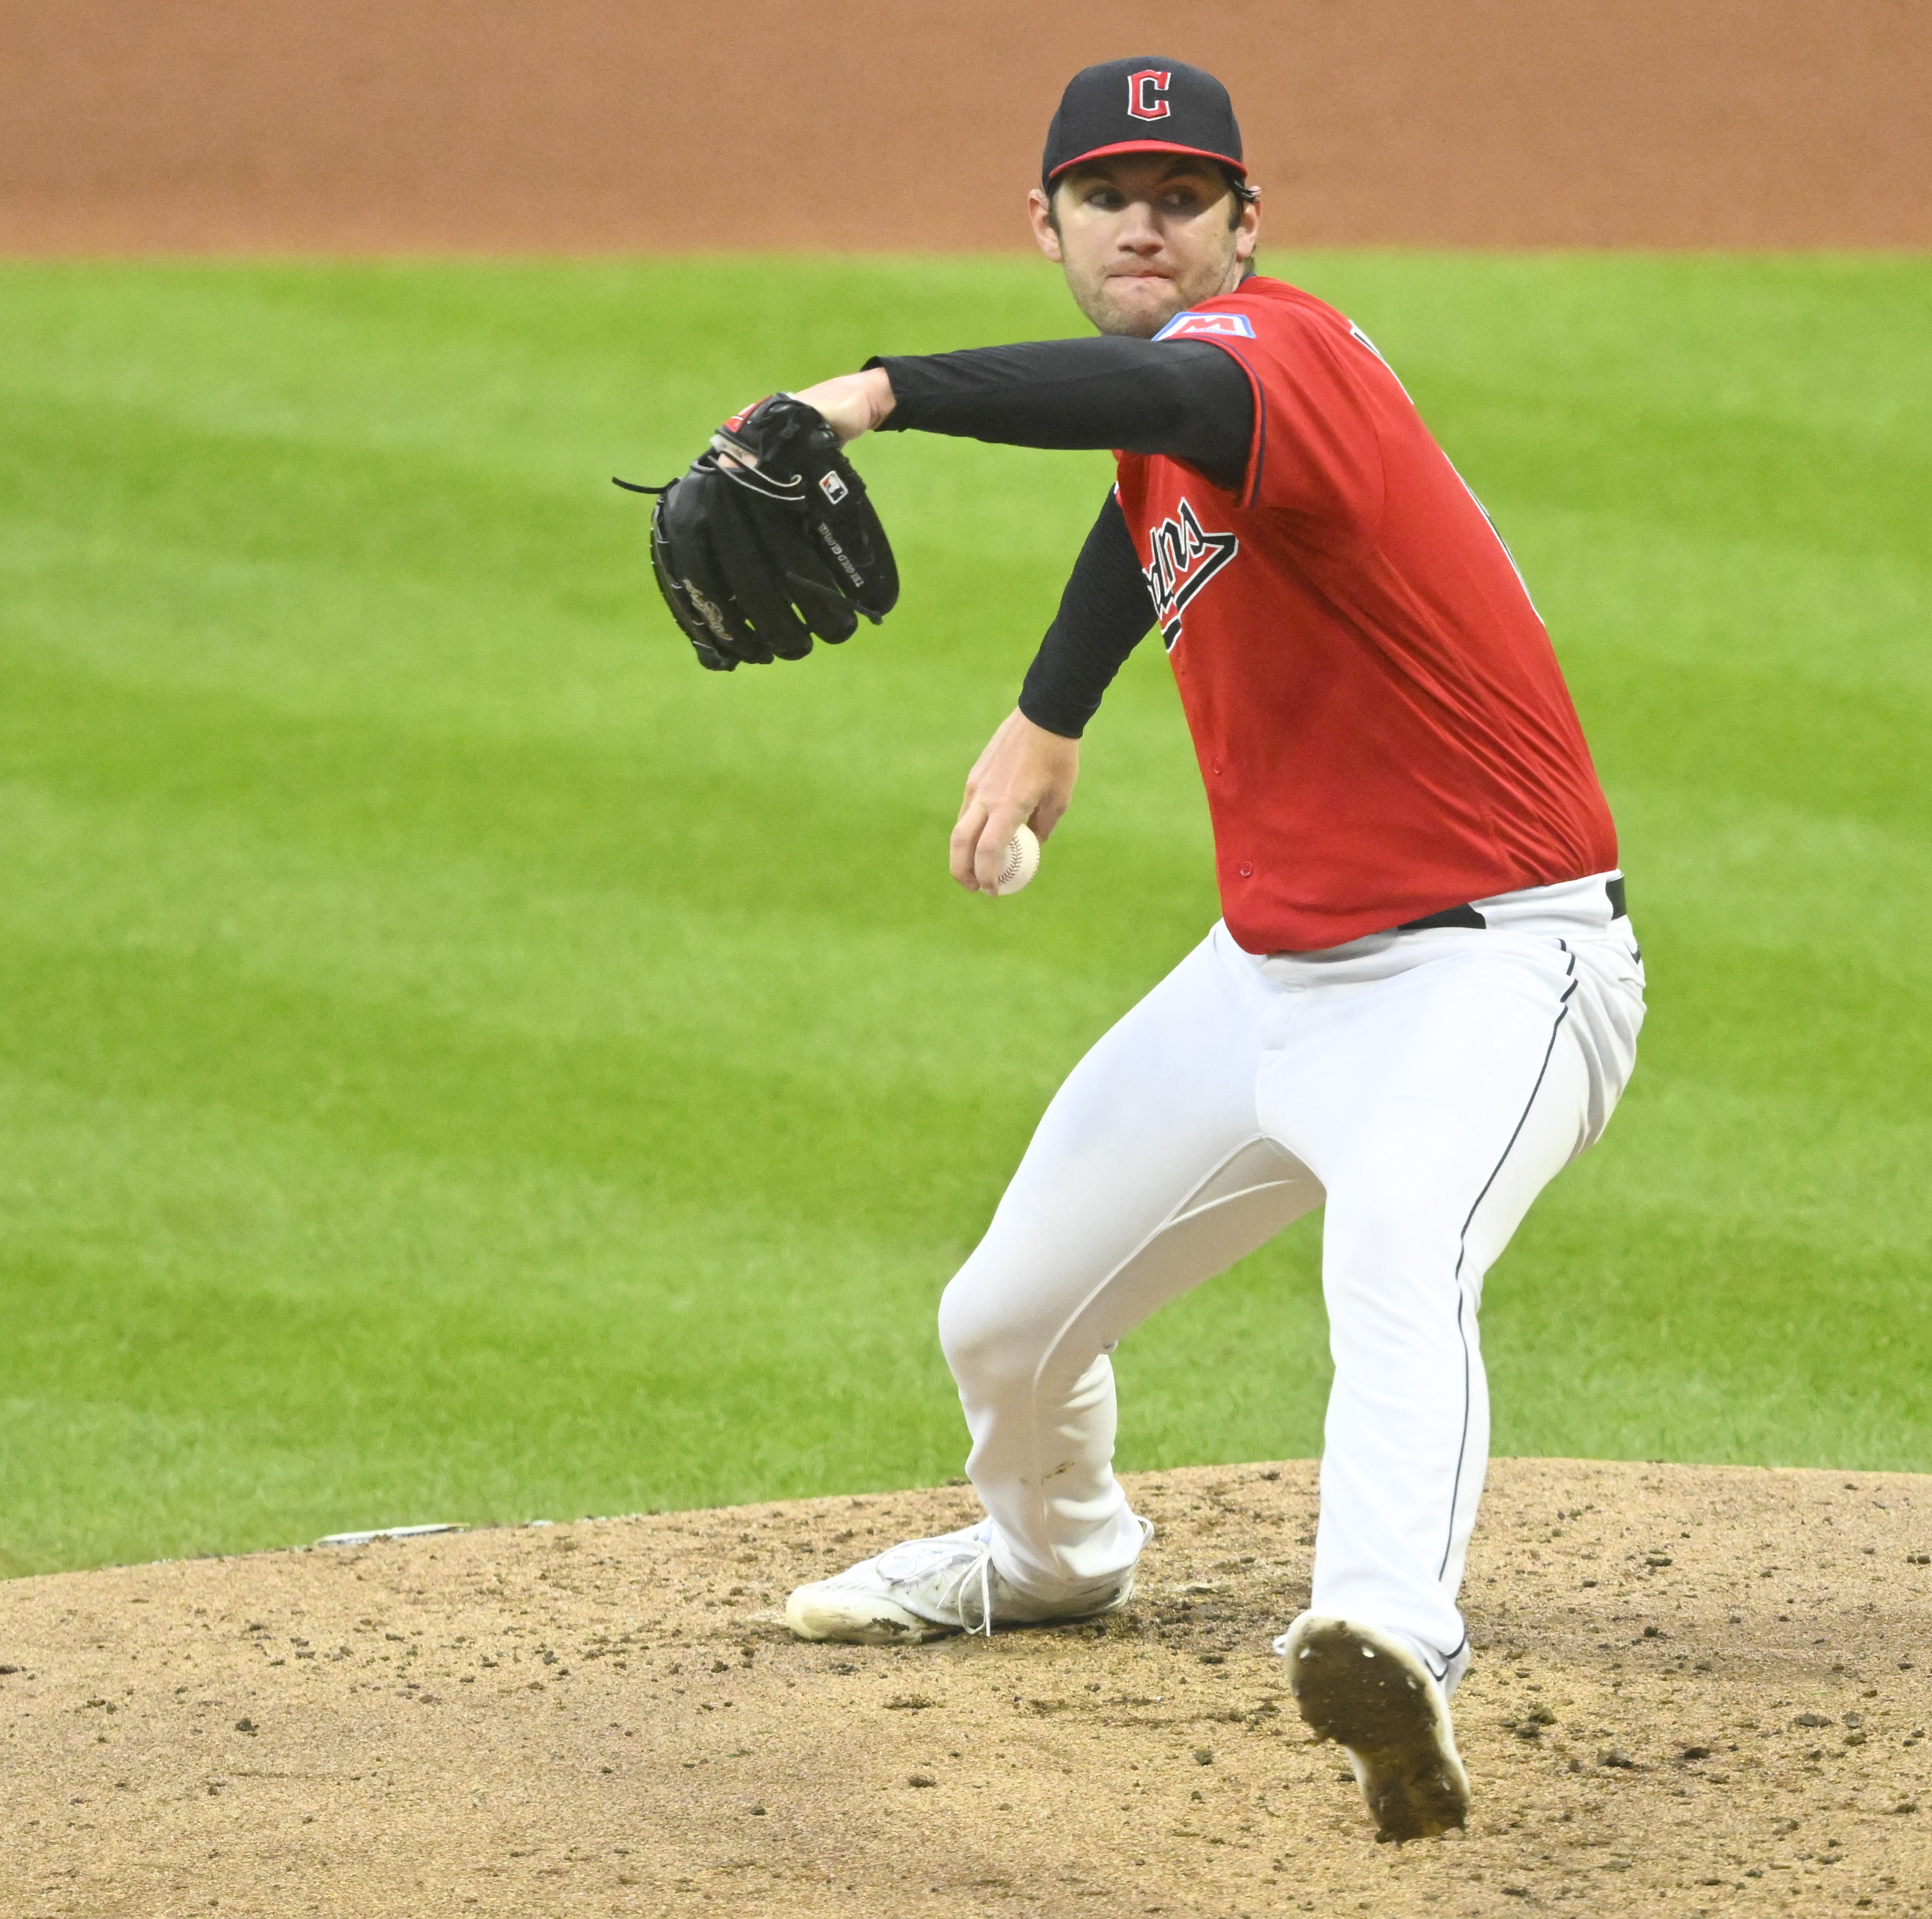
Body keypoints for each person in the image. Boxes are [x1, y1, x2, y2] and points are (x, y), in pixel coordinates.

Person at [763, 56, 1644, 1842]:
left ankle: (1391, 1644)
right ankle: (1053, 1555)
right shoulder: (1178, 408)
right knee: (1003, 1326)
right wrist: (1048, 717)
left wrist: (866, 397)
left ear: (1252, 224)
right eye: (1108, 196)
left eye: (1183, 194)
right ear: (1051, 227)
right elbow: (1139, 481)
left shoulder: (1285, 357)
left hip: (1501, 970)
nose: (1144, 221)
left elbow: (1157, 401)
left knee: (1401, 1255)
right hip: (1272, 977)